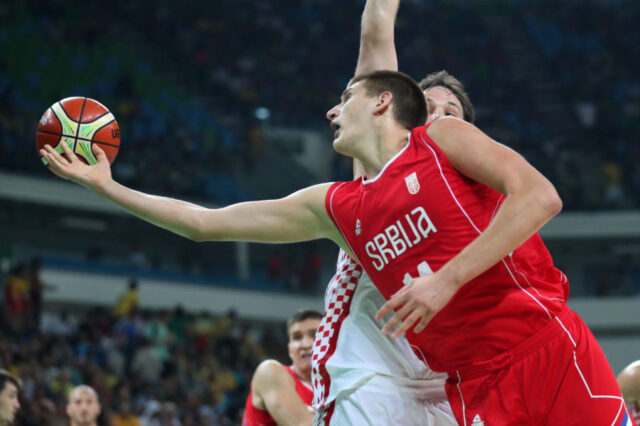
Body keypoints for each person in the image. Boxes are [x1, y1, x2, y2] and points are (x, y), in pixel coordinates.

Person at [40, 59, 628, 426]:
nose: (330, 109)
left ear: (381, 102)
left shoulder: (442, 138)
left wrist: (445, 279)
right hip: (472, 386)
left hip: (543, 349)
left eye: (344, 96)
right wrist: (107, 187)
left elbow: (541, 197)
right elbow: (204, 222)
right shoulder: (337, 207)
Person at [311, 1, 463, 424]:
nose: (438, 119)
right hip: (372, 371)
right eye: (428, 109)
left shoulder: (479, 198)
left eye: (451, 114)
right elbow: (375, 35)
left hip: (448, 381)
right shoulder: (381, 161)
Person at [242, 308, 318, 426]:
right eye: (297, 338)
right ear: (290, 349)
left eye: (314, 335)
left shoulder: (337, 390)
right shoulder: (269, 372)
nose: (305, 344)